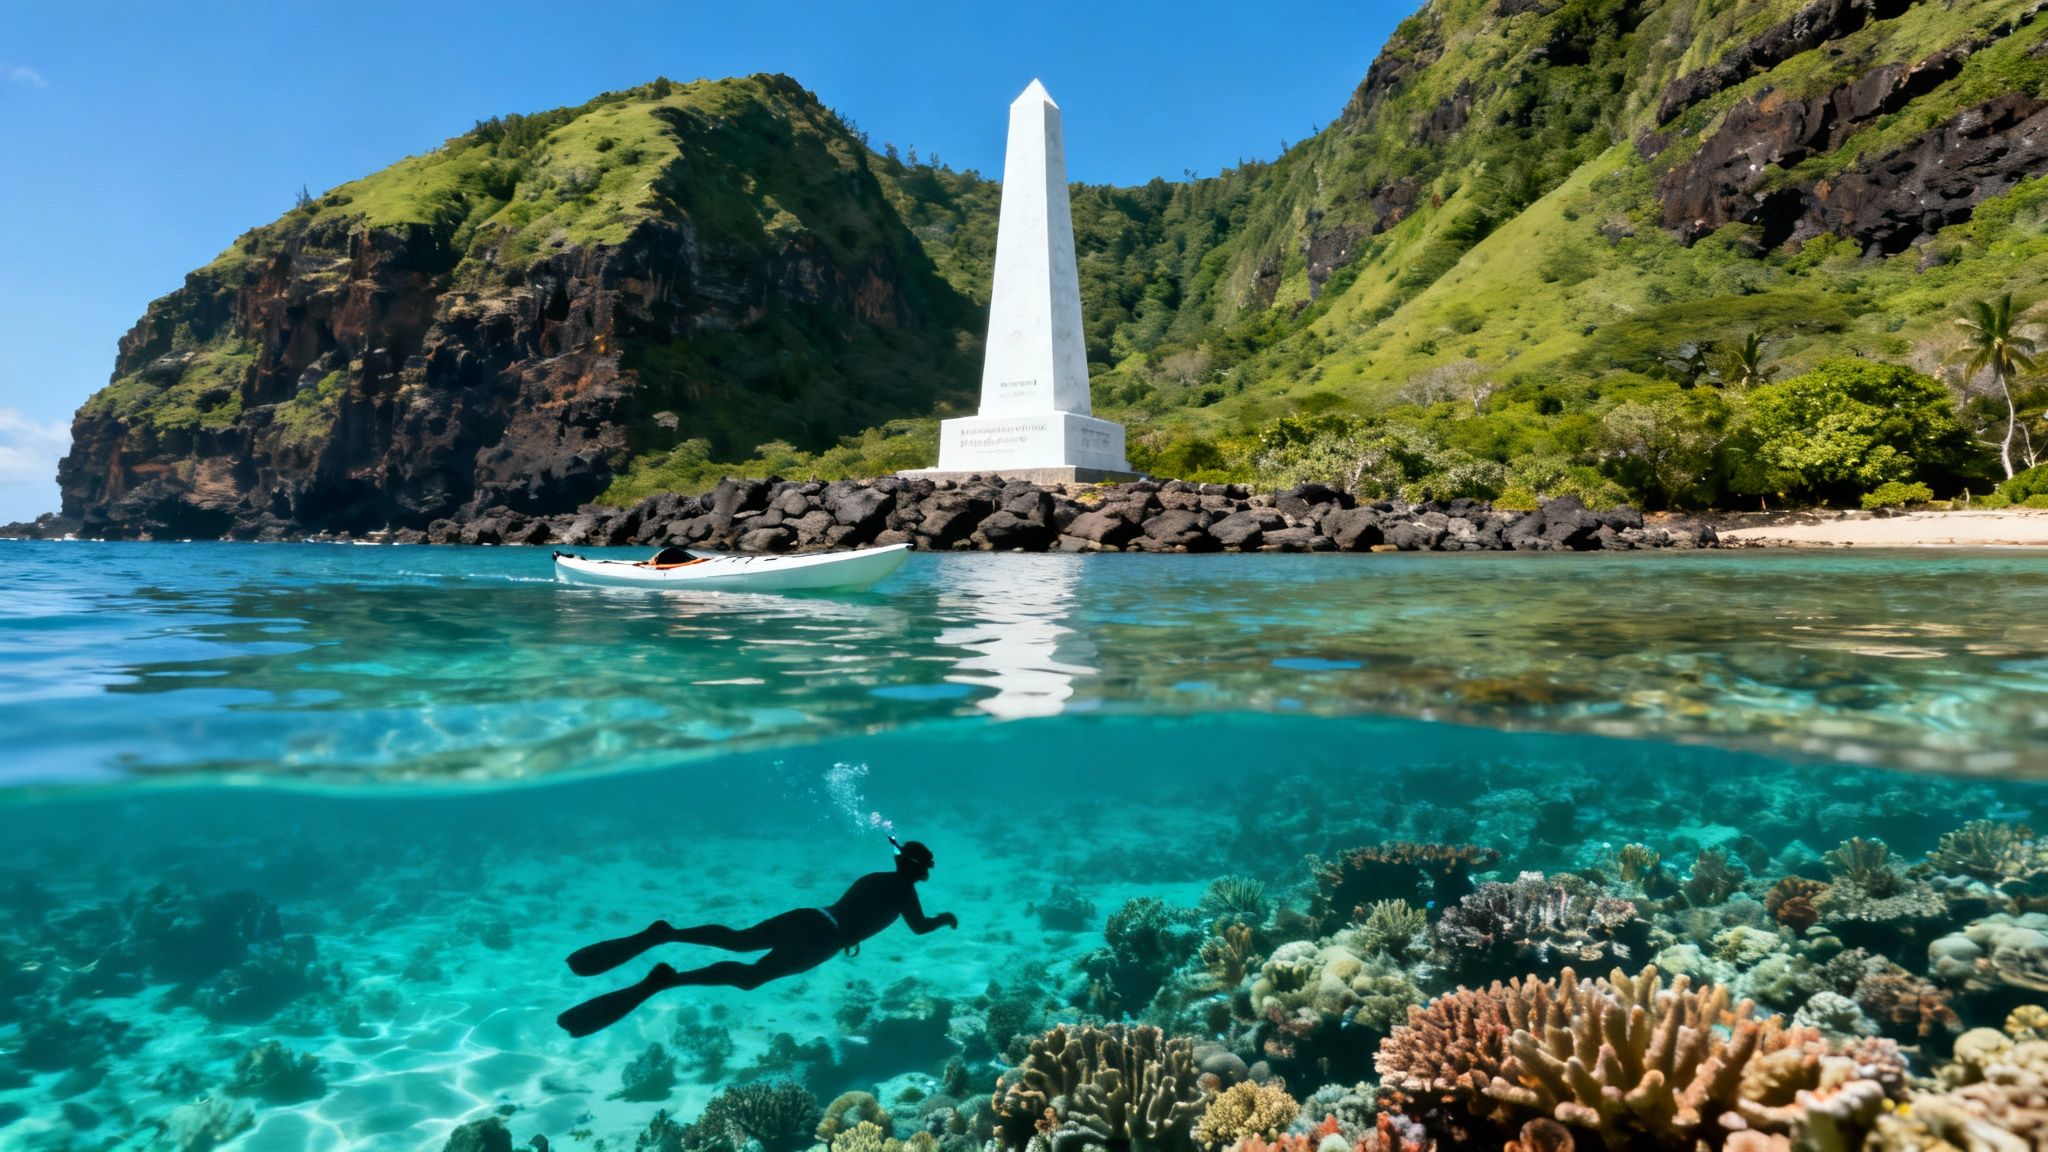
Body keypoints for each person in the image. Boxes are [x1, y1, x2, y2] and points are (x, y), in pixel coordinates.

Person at [556, 837, 957, 1037]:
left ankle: (667, 933)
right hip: (822, 942)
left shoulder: (875, 877)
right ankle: (668, 980)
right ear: (921, 870)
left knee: (738, 938)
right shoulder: (906, 894)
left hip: (812, 915)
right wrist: (944, 919)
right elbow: (919, 928)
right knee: (750, 978)